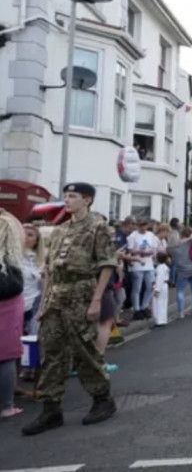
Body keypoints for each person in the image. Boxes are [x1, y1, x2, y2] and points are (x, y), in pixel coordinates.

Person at [22, 182, 118, 436]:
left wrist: (97, 299)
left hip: (82, 293)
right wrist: (44, 302)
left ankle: (102, 398)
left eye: (73, 196)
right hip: (56, 296)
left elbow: (107, 264)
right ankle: (51, 408)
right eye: (66, 195)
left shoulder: (98, 227)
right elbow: (50, 269)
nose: (67, 200)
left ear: (87, 200)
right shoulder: (61, 230)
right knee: (51, 350)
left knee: (84, 350)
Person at [0, 211, 26, 420]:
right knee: (7, 358)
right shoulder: (12, 264)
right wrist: (10, 216)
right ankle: (6, 405)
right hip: (8, 313)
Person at [152, 252, 170, 328]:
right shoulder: (165, 267)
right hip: (165, 286)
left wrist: (157, 289)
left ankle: (158, 321)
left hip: (161, 286)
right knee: (163, 303)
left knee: (158, 303)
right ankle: (163, 319)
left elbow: (159, 279)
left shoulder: (160, 268)